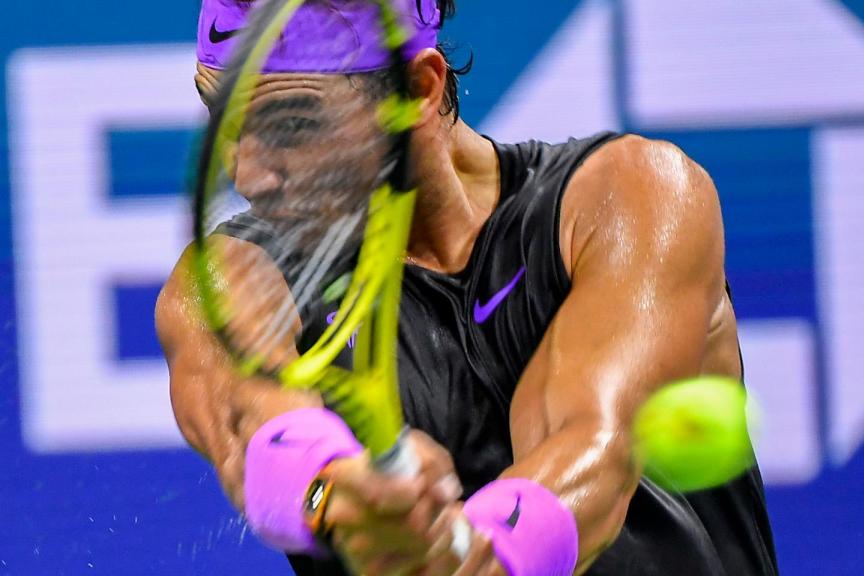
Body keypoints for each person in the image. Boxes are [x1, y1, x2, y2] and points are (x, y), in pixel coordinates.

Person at [156, 0, 778, 574]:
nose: (249, 174)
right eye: (224, 119)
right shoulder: (222, 279)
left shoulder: (634, 198)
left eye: (290, 123)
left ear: (418, 90)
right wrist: (336, 495)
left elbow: (592, 438)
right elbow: (258, 432)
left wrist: (489, 550)